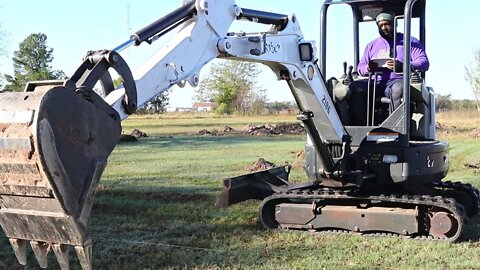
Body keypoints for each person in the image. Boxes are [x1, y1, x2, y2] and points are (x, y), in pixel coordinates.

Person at [348, 12, 430, 125]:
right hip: (376, 82)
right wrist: (368, 67)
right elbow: (360, 67)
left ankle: (395, 129)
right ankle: (361, 129)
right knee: (355, 87)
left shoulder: (410, 42)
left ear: (395, 24)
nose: (384, 27)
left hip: (397, 81)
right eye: (381, 25)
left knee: (398, 89)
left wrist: (403, 65)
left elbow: (424, 62)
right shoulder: (371, 46)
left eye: (387, 24)